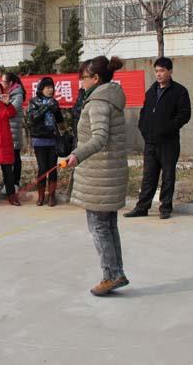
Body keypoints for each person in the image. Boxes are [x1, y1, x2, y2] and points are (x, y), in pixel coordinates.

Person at [65, 55, 129, 297]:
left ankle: (110, 275)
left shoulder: (98, 103)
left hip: (100, 176)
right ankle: (116, 272)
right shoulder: (110, 98)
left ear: (95, 78)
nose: (80, 82)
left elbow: (99, 138)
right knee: (108, 225)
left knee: (100, 227)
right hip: (107, 173)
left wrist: (77, 155)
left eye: (83, 77)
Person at [125, 57, 191, 220]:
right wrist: (143, 129)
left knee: (168, 175)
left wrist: (168, 128)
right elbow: (144, 113)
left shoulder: (179, 91)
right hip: (150, 142)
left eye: (162, 71)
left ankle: (165, 208)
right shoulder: (151, 91)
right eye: (156, 71)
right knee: (148, 176)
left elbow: (184, 115)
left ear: (170, 71)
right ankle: (142, 207)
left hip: (169, 142)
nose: (159, 74)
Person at [27, 77, 63, 207]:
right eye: (47, 87)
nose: (50, 90)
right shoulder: (33, 102)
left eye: (52, 87)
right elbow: (32, 119)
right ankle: (41, 196)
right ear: (41, 89)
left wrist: (56, 109)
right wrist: (46, 107)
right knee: (43, 168)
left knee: (53, 168)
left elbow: (59, 120)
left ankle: (52, 196)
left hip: (52, 139)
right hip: (39, 140)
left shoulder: (54, 102)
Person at [1, 72, 26, 192]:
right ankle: (7, 183)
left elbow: (12, 111)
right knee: (6, 160)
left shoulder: (18, 94)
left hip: (14, 132)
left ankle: (15, 183)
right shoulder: (6, 93)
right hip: (5, 131)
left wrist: (4, 104)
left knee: (15, 159)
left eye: (3, 81)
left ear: (10, 83)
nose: (1, 83)